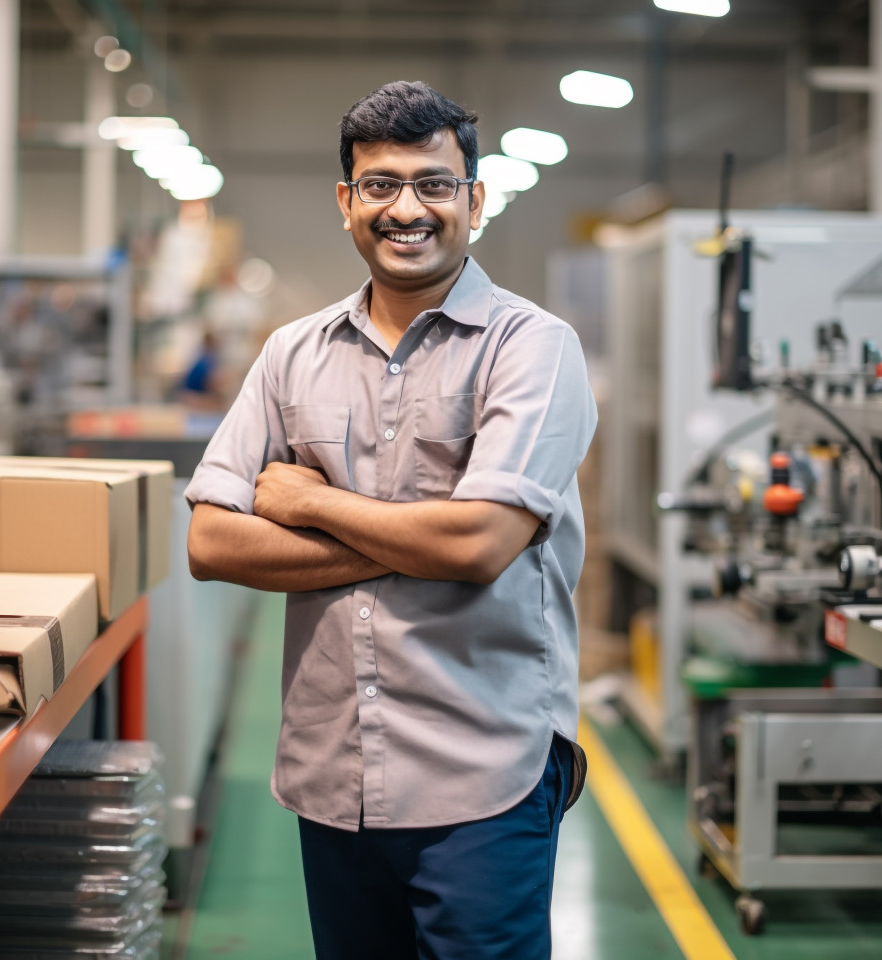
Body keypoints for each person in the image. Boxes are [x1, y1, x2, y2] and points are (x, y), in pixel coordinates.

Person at [185, 80, 597, 960]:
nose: (406, 208)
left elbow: (482, 544)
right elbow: (212, 541)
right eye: (380, 184)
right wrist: (424, 540)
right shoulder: (292, 353)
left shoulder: (532, 348)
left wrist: (309, 502)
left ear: (473, 200)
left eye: (433, 183)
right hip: (335, 772)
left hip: (483, 771)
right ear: (347, 203)